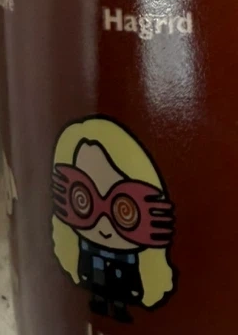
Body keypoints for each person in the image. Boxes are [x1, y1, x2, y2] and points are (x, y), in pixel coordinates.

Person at [51, 117, 175, 321]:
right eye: (84, 199)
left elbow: (132, 279)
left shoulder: (128, 260)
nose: (103, 224)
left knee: (119, 293)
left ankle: (118, 307)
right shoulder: (86, 249)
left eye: (125, 210)